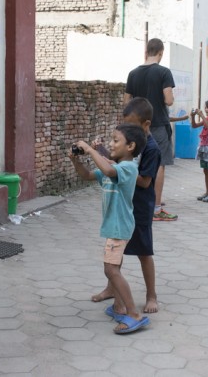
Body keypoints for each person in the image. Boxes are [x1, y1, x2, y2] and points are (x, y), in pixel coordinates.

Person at [69, 123, 150, 334]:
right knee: (114, 267)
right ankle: (119, 306)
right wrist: (75, 160)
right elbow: (87, 175)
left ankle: (133, 314)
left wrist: (91, 150)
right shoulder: (113, 167)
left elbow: (108, 169)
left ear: (130, 146)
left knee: (110, 269)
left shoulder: (128, 168)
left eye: (115, 140)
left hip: (118, 226)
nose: (111, 144)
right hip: (114, 225)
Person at [91, 98, 161, 313]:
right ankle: (112, 289)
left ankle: (151, 295)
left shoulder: (151, 149)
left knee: (143, 251)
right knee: (115, 254)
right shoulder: (127, 152)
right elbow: (116, 167)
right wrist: (104, 154)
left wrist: (120, 170)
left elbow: (145, 181)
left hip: (139, 206)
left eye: (133, 125)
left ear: (146, 124)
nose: (129, 129)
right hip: (121, 204)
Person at [124, 38, 178, 222]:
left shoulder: (133, 73)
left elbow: (126, 103)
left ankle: (135, 203)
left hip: (137, 125)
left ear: (146, 52)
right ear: (161, 53)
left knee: (136, 162)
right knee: (159, 163)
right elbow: (169, 100)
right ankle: (156, 207)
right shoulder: (164, 72)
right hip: (158, 124)